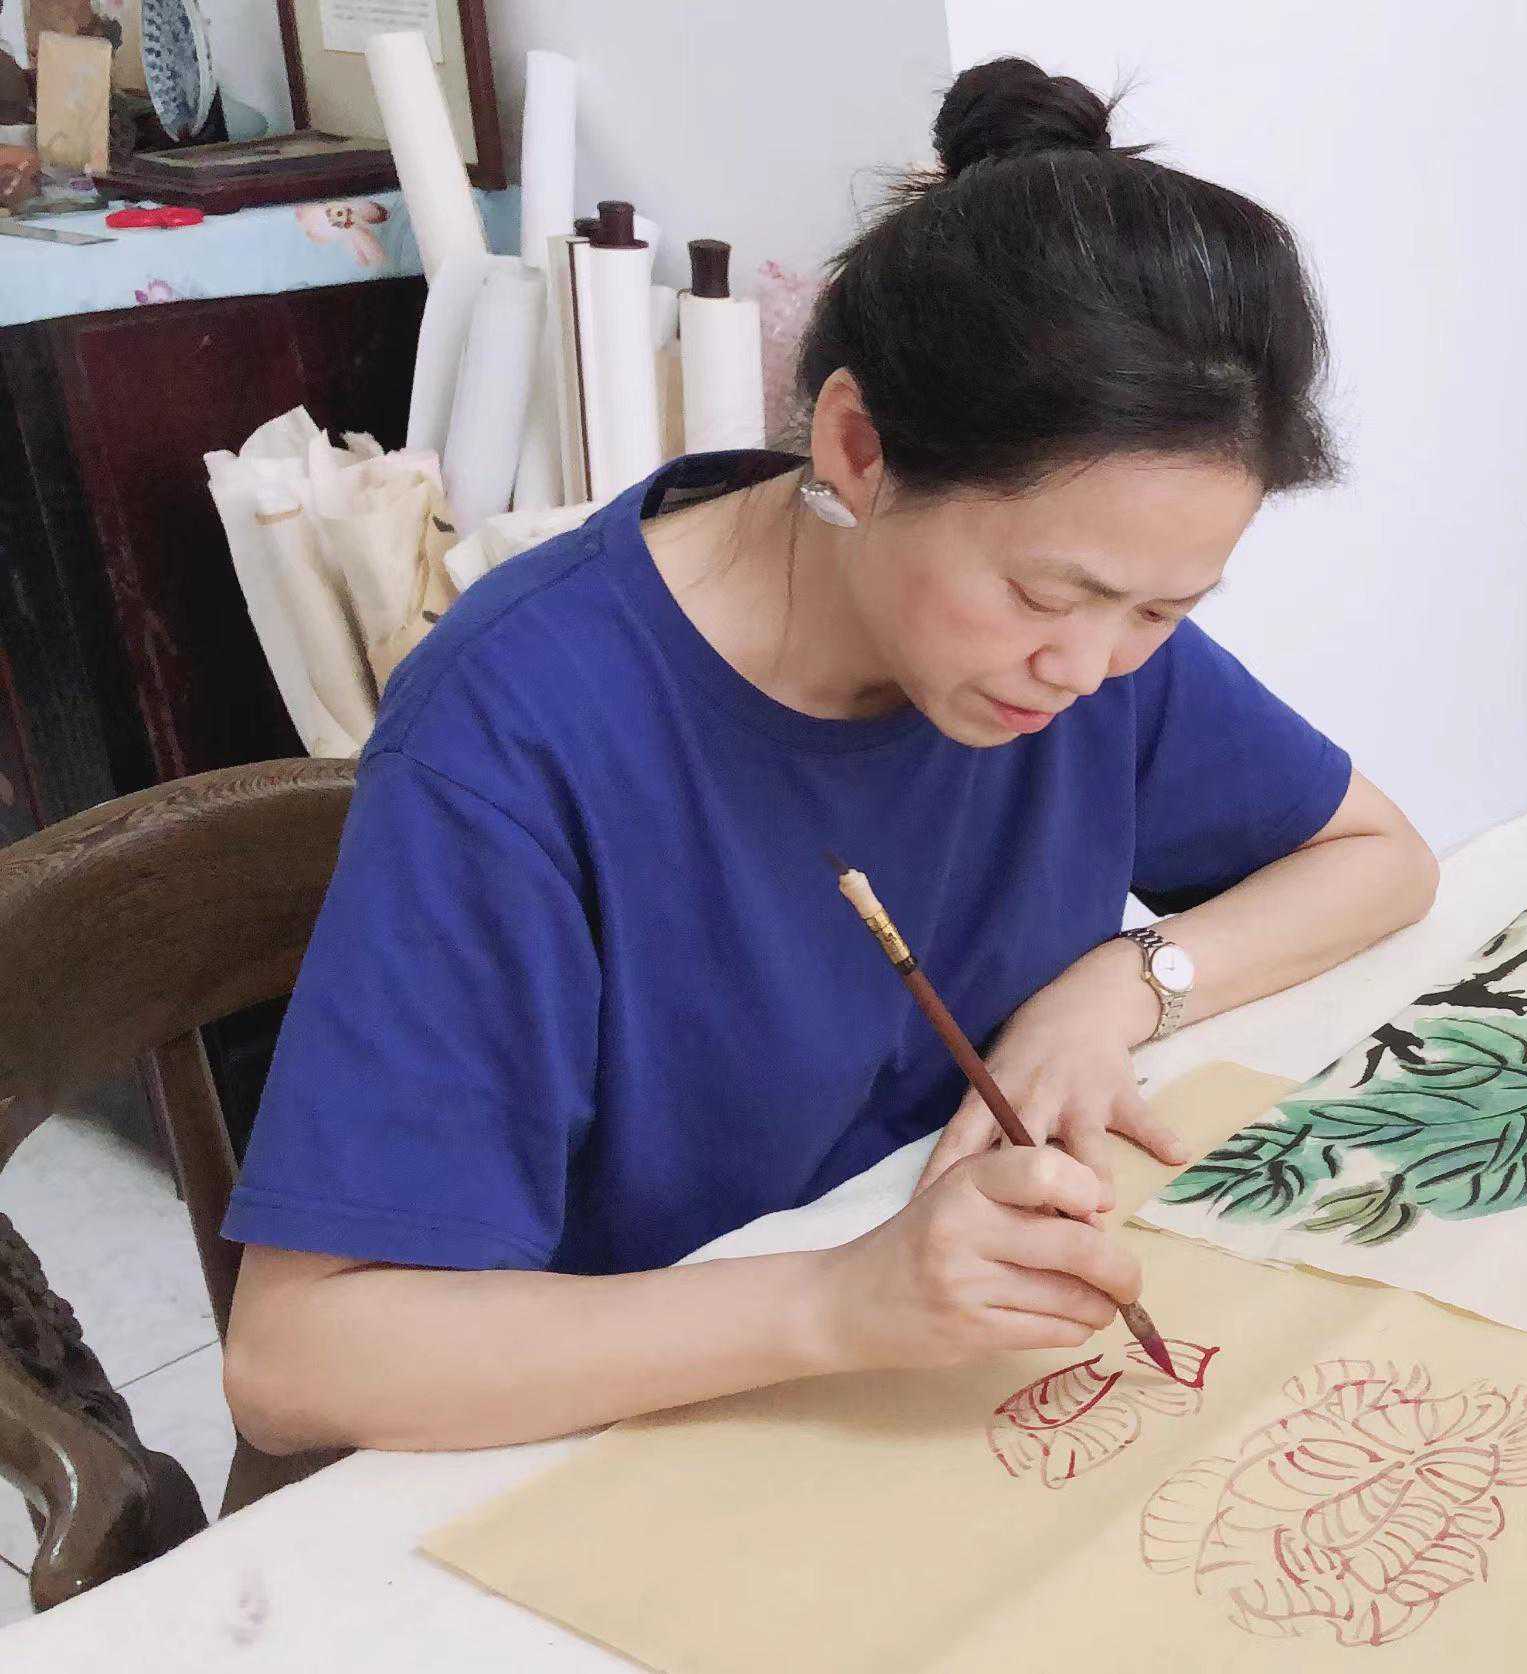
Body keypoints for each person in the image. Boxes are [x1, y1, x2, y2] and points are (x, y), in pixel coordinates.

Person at [222, 57, 1437, 1454]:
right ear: (858, 448)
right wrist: (841, 1302)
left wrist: (1120, 986)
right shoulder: (520, 730)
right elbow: (297, 1359)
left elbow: (1378, 858)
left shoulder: (1081, 654)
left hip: (938, 1397)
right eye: (1049, 594)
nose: (1095, 666)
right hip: (639, 1435)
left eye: (1163, 611)